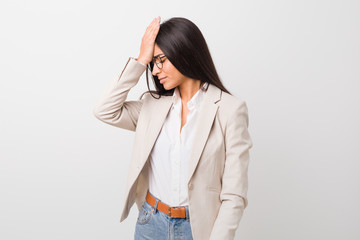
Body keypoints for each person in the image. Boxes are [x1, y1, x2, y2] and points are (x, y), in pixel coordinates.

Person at [93, 16, 253, 240]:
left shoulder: (230, 110)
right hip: (150, 222)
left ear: (184, 53)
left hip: (197, 229)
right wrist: (141, 60)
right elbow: (104, 110)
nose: (155, 70)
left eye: (161, 60)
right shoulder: (151, 105)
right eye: (153, 63)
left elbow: (234, 194)